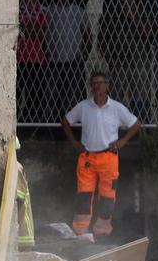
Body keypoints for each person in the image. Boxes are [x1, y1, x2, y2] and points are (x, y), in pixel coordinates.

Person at [61, 71, 142, 237]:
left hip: (109, 157)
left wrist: (123, 141)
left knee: (107, 196)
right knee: (84, 194)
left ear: (107, 85)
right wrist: (74, 142)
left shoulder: (117, 108)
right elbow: (66, 121)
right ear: (91, 86)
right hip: (87, 158)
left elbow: (135, 124)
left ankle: (102, 231)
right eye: (94, 83)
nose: (97, 86)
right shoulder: (83, 106)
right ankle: (80, 231)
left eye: (100, 83)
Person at [99, 0, 152, 121]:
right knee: (117, 98)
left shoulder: (143, 13)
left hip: (138, 63)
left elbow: (148, 35)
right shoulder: (112, 14)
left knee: (140, 99)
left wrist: (133, 16)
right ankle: (115, 129)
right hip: (118, 62)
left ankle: (141, 128)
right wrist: (109, 58)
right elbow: (102, 39)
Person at [44, 0, 91, 125]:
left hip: (73, 61)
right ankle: (50, 127)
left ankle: (74, 127)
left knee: (73, 97)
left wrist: (83, 56)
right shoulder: (49, 11)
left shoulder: (79, 12)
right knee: (50, 96)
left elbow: (88, 36)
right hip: (52, 60)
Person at [17, 0, 49, 125]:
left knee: (34, 95)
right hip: (18, 59)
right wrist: (33, 28)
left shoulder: (42, 10)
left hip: (36, 59)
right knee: (16, 94)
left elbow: (43, 33)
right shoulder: (16, 9)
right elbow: (18, 30)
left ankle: (31, 126)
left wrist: (25, 29)